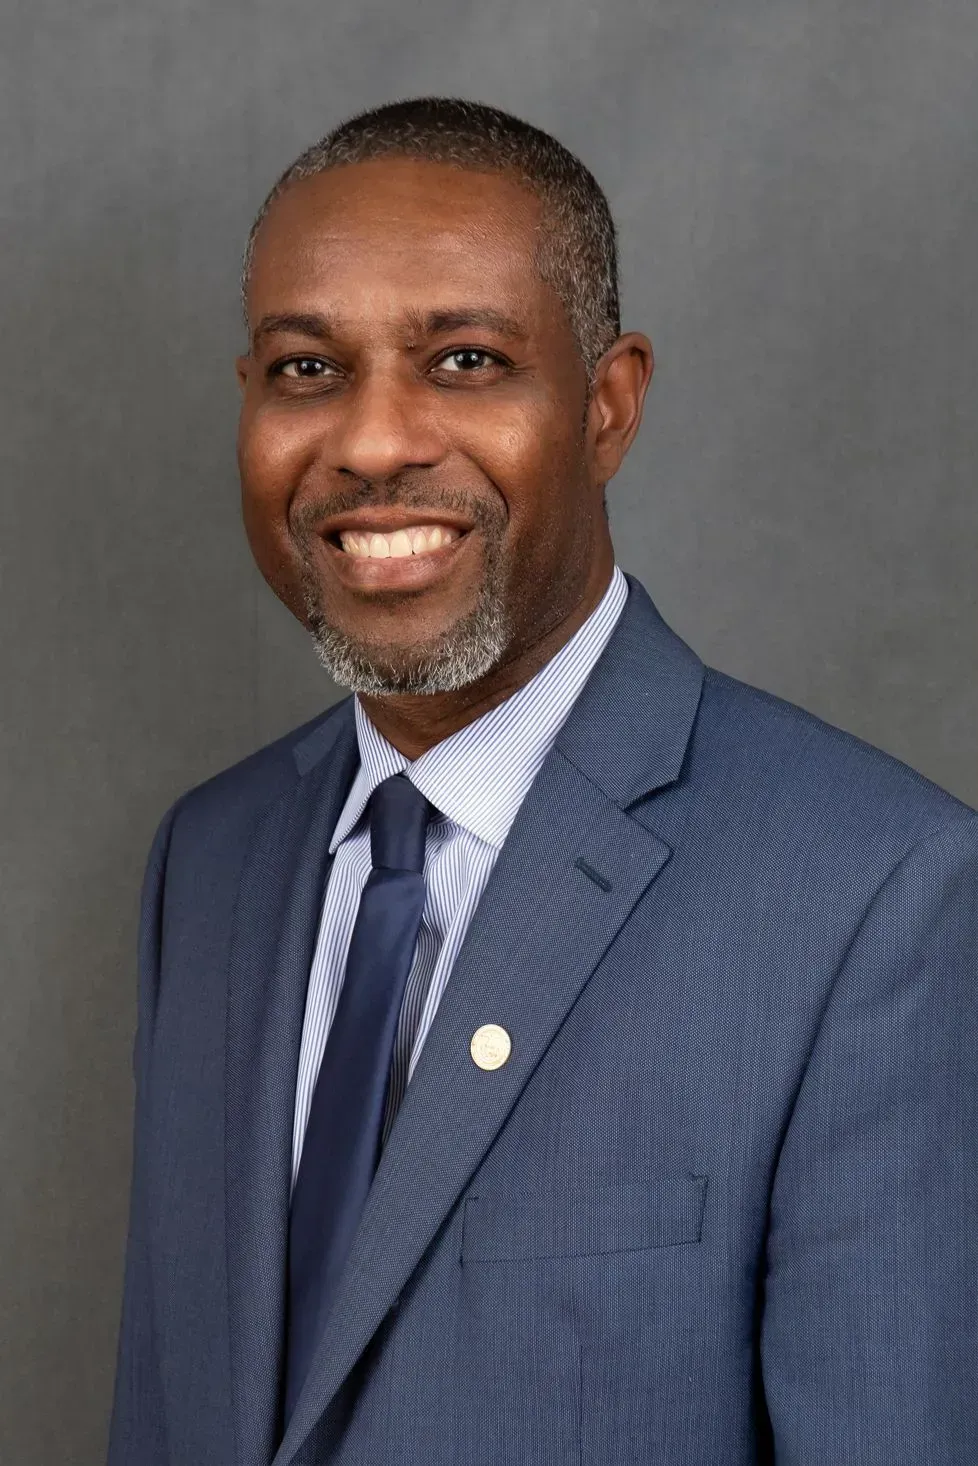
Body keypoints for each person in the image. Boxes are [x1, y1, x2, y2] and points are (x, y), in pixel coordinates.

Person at [107, 98, 977, 1466]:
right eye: (302, 370)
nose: (373, 441)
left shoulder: (875, 895)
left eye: (463, 359)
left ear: (607, 404)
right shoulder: (207, 864)